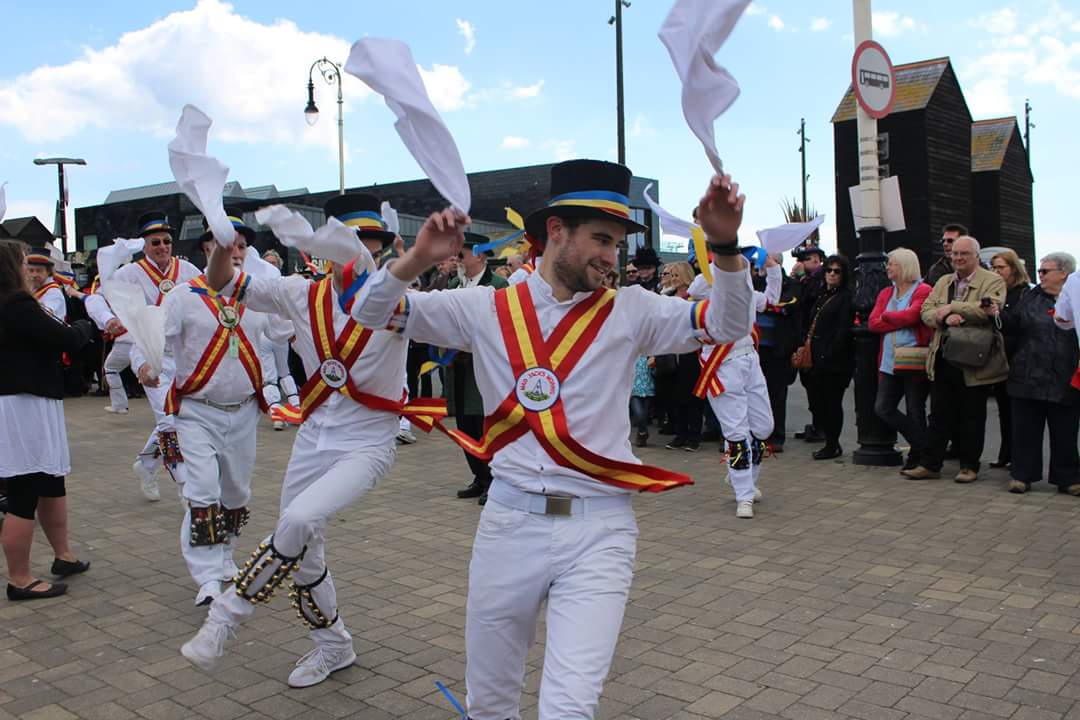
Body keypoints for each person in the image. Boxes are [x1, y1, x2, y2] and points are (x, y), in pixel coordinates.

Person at [348, 160, 753, 719]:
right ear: (556, 231)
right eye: (602, 239)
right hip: (508, 523)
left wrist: (725, 245)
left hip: (599, 530)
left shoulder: (632, 310)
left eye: (617, 244)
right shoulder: (486, 307)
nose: (612, 257)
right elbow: (369, 311)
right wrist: (417, 258)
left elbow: (728, 325)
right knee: (489, 702)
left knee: (569, 708)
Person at [181, 193, 437, 688]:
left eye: (372, 245)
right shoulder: (298, 293)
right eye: (351, 243)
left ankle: (226, 616)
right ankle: (334, 645)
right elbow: (221, 282)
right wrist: (223, 244)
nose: (361, 254)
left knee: (297, 520)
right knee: (303, 549)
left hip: (367, 444)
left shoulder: (399, 302)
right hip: (314, 435)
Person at [133, 218, 272, 606]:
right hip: (197, 411)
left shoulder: (257, 295)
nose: (235, 252)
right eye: (227, 244)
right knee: (202, 490)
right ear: (208, 250)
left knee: (236, 491)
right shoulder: (183, 295)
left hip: (244, 412)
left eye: (241, 245)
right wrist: (145, 365)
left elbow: (283, 336)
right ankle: (208, 577)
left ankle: (226, 555)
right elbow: (152, 338)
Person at [1, 240, 94, 600]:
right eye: (24, 262)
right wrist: (84, 325)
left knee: (51, 480)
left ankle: (63, 555)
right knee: (23, 490)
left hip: (31, 400)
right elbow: (65, 338)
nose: (29, 269)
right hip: (22, 404)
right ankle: (19, 579)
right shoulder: (17, 304)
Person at [92, 212, 201, 501]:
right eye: (156, 242)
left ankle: (147, 464)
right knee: (168, 422)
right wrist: (107, 319)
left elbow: (207, 298)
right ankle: (185, 487)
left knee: (180, 417)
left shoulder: (187, 270)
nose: (163, 247)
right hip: (149, 353)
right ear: (144, 245)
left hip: (184, 355)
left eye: (167, 241)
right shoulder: (130, 273)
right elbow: (96, 297)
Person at [904, 236, 1008, 483]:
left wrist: (953, 308)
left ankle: (969, 466)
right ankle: (930, 464)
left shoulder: (992, 280)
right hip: (944, 355)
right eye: (955, 254)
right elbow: (926, 311)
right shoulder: (943, 281)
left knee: (972, 414)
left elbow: (989, 309)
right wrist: (942, 317)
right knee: (939, 414)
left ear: (976, 256)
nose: (958, 258)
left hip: (975, 358)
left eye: (964, 254)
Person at [691, 255, 781, 517]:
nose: (741, 270)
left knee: (764, 427)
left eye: (743, 266)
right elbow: (695, 288)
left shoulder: (748, 293)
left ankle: (744, 479)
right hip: (723, 366)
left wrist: (773, 268)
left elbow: (771, 300)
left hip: (750, 360)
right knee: (737, 432)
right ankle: (744, 495)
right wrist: (720, 264)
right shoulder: (710, 293)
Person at [1000, 252, 1079, 493]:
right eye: (1039, 271)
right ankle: (1022, 475)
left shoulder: (1075, 298)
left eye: (1045, 271)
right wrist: (997, 315)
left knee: (1065, 432)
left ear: (1063, 274)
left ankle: (1068, 478)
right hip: (1028, 374)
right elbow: (1013, 325)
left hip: (1065, 376)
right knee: (1025, 431)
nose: (1040, 276)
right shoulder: (1030, 296)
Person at [447, 233, 509, 505]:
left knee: (484, 422)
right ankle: (479, 477)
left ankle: (493, 479)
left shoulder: (498, 285)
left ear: (480, 255)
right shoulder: (454, 284)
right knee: (464, 423)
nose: (457, 259)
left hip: (484, 364)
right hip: (457, 364)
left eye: (462, 254)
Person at [869, 248, 933, 471]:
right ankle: (924, 445)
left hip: (914, 358)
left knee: (915, 408)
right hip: (889, 361)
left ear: (905, 266)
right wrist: (899, 320)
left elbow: (913, 315)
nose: (887, 267)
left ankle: (918, 455)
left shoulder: (923, 290)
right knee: (883, 408)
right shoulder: (886, 293)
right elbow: (873, 323)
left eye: (892, 263)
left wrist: (888, 317)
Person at [802, 255, 855, 460]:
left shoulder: (845, 297)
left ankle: (832, 444)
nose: (832, 274)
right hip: (817, 358)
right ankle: (830, 442)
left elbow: (843, 330)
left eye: (837, 271)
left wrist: (828, 353)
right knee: (819, 402)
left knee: (832, 403)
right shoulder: (822, 295)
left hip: (835, 361)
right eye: (829, 270)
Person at [988, 249, 1031, 469]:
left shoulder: (1023, 293)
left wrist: (997, 313)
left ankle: (1017, 456)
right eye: (993, 267)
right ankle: (1006, 453)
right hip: (998, 356)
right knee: (1003, 409)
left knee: (1017, 411)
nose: (996, 271)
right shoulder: (996, 291)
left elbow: (1017, 323)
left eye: (1001, 267)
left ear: (1013, 269)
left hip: (1016, 357)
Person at [754, 255, 800, 452]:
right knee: (755, 393)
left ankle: (776, 437)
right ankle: (756, 435)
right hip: (755, 347)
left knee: (777, 394)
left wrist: (769, 307)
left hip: (778, 347)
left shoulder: (790, 284)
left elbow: (787, 307)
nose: (762, 264)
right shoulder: (755, 282)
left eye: (767, 261)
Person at [661, 261, 704, 452]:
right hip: (671, 351)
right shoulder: (667, 297)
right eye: (672, 275)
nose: (674, 279)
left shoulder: (696, 298)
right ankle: (680, 434)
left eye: (677, 275)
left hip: (691, 351)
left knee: (692, 394)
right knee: (675, 394)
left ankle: (693, 436)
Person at [792, 246, 827, 442]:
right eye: (808, 258)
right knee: (810, 386)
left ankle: (821, 427)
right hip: (804, 337)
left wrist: (800, 279)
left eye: (816, 258)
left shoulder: (818, 280)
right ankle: (817, 424)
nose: (814, 261)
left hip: (815, 340)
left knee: (817, 388)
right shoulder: (806, 280)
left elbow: (806, 301)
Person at [25, 248, 67, 320]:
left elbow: (44, 315)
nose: (34, 275)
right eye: (31, 271)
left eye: (39, 271)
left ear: (48, 272)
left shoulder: (53, 292)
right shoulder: (32, 287)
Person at [925, 222, 968, 288]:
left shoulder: (978, 267)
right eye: (943, 241)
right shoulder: (937, 269)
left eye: (950, 241)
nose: (945, 244)